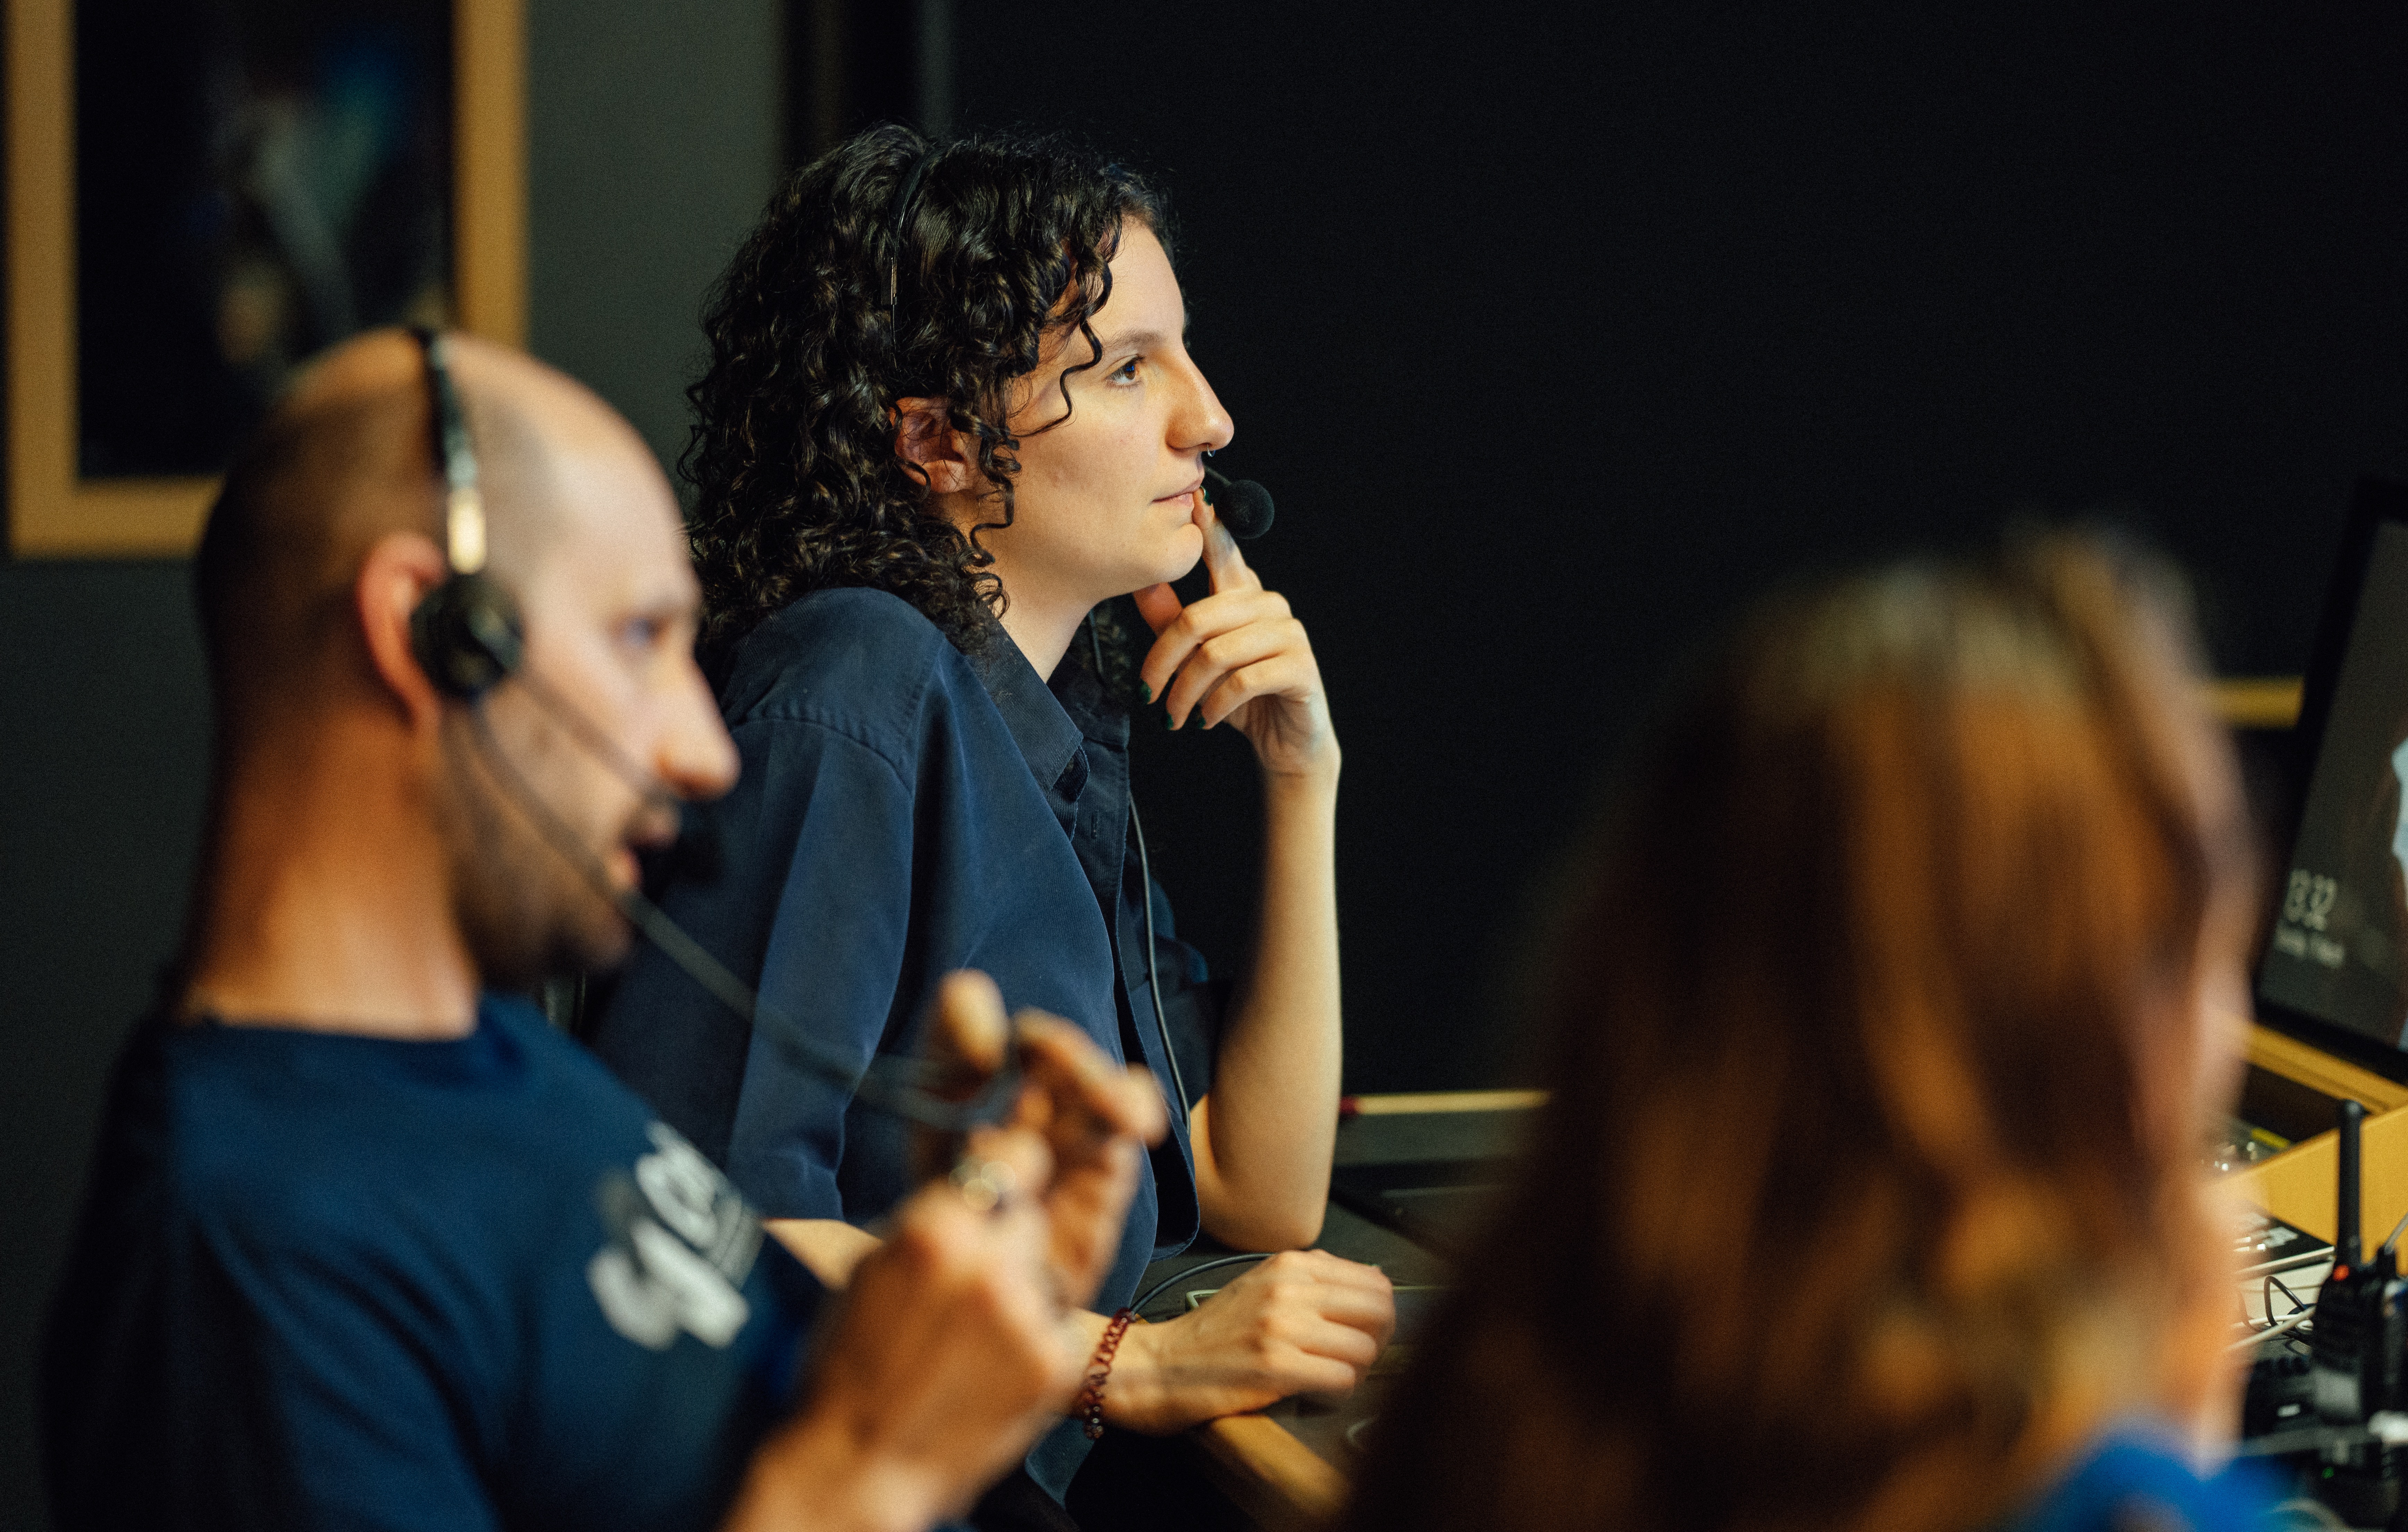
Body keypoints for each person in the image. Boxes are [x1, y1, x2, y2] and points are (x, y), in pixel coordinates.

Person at [41, 328, 1165, 1532]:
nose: (702, 747)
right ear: (435, 634)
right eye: (639, 640)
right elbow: (837, 1473)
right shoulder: (250, 1252)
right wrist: (867, 1470)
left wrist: (977, 1271)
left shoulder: (494, 1066)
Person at [586, 126, 1393, 1517]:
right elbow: (705, 1233)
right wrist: (1123, 1365)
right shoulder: (851, 686)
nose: (1209, 419)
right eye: (1132, 367)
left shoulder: (1044, 714)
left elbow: (1258, 1190)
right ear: (938, 439)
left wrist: (1300, 776)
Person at [1341, 534, 2284, 1532]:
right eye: (2201, 957)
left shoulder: (1488, 1388)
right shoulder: (2117, 1503)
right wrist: (2177, 1450)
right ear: (2095, 1030)